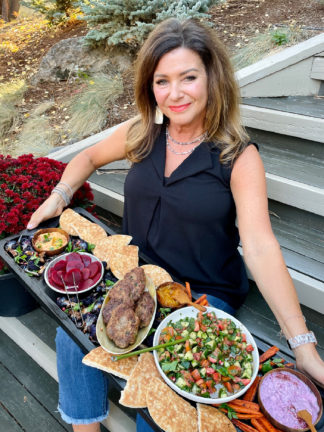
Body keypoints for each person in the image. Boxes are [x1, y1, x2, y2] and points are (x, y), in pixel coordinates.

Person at [27, 18, 324, 432]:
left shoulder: (237, 157)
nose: (175, 93)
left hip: (200, 292)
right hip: (136, 273)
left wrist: (303, 344)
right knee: (72, 332)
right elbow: (88, 158)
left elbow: (259, 246)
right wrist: (57, 197)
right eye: (162, 81)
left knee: (166, 387)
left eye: (188, 77)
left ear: (212, 78)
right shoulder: (143, 133)